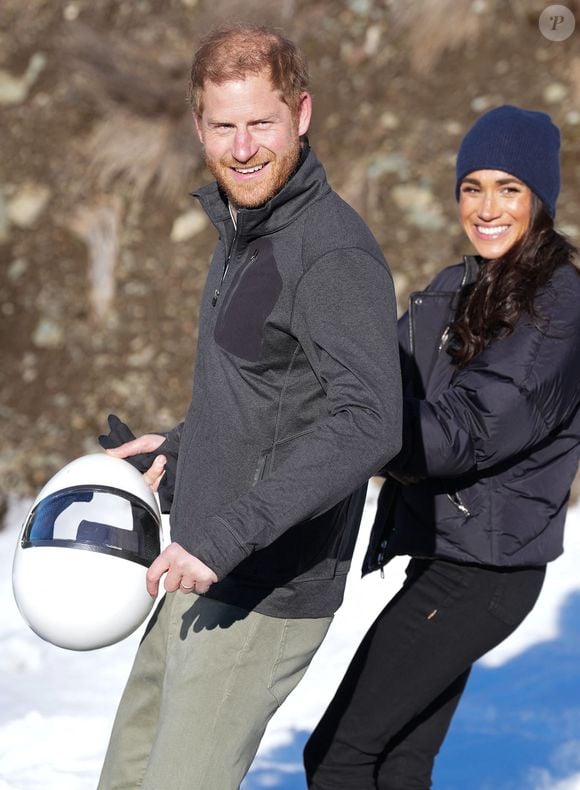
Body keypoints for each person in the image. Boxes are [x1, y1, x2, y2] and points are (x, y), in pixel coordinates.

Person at [97, 24, 402, 790]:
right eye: (224, 126)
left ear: (300, 114)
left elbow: (369, 422)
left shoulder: (329, 252)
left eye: (260, 123)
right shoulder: (245, 229)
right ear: (199, 126)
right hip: (201, 564)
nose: (241, 148)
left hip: (266, 588)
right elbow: (266, 387)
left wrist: (228, 533)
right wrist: (186, 446)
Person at [303, 104, 580, 789]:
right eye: (472, 187)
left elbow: (469, 432)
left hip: (483, 574)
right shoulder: (457, 289)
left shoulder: (558, 305)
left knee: (339, 756)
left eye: (509, 189)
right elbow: (361, 379)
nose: (486, 207)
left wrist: (363, 425)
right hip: (447, 558)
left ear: (541, 200)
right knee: (398, 759)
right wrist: (202, 443)